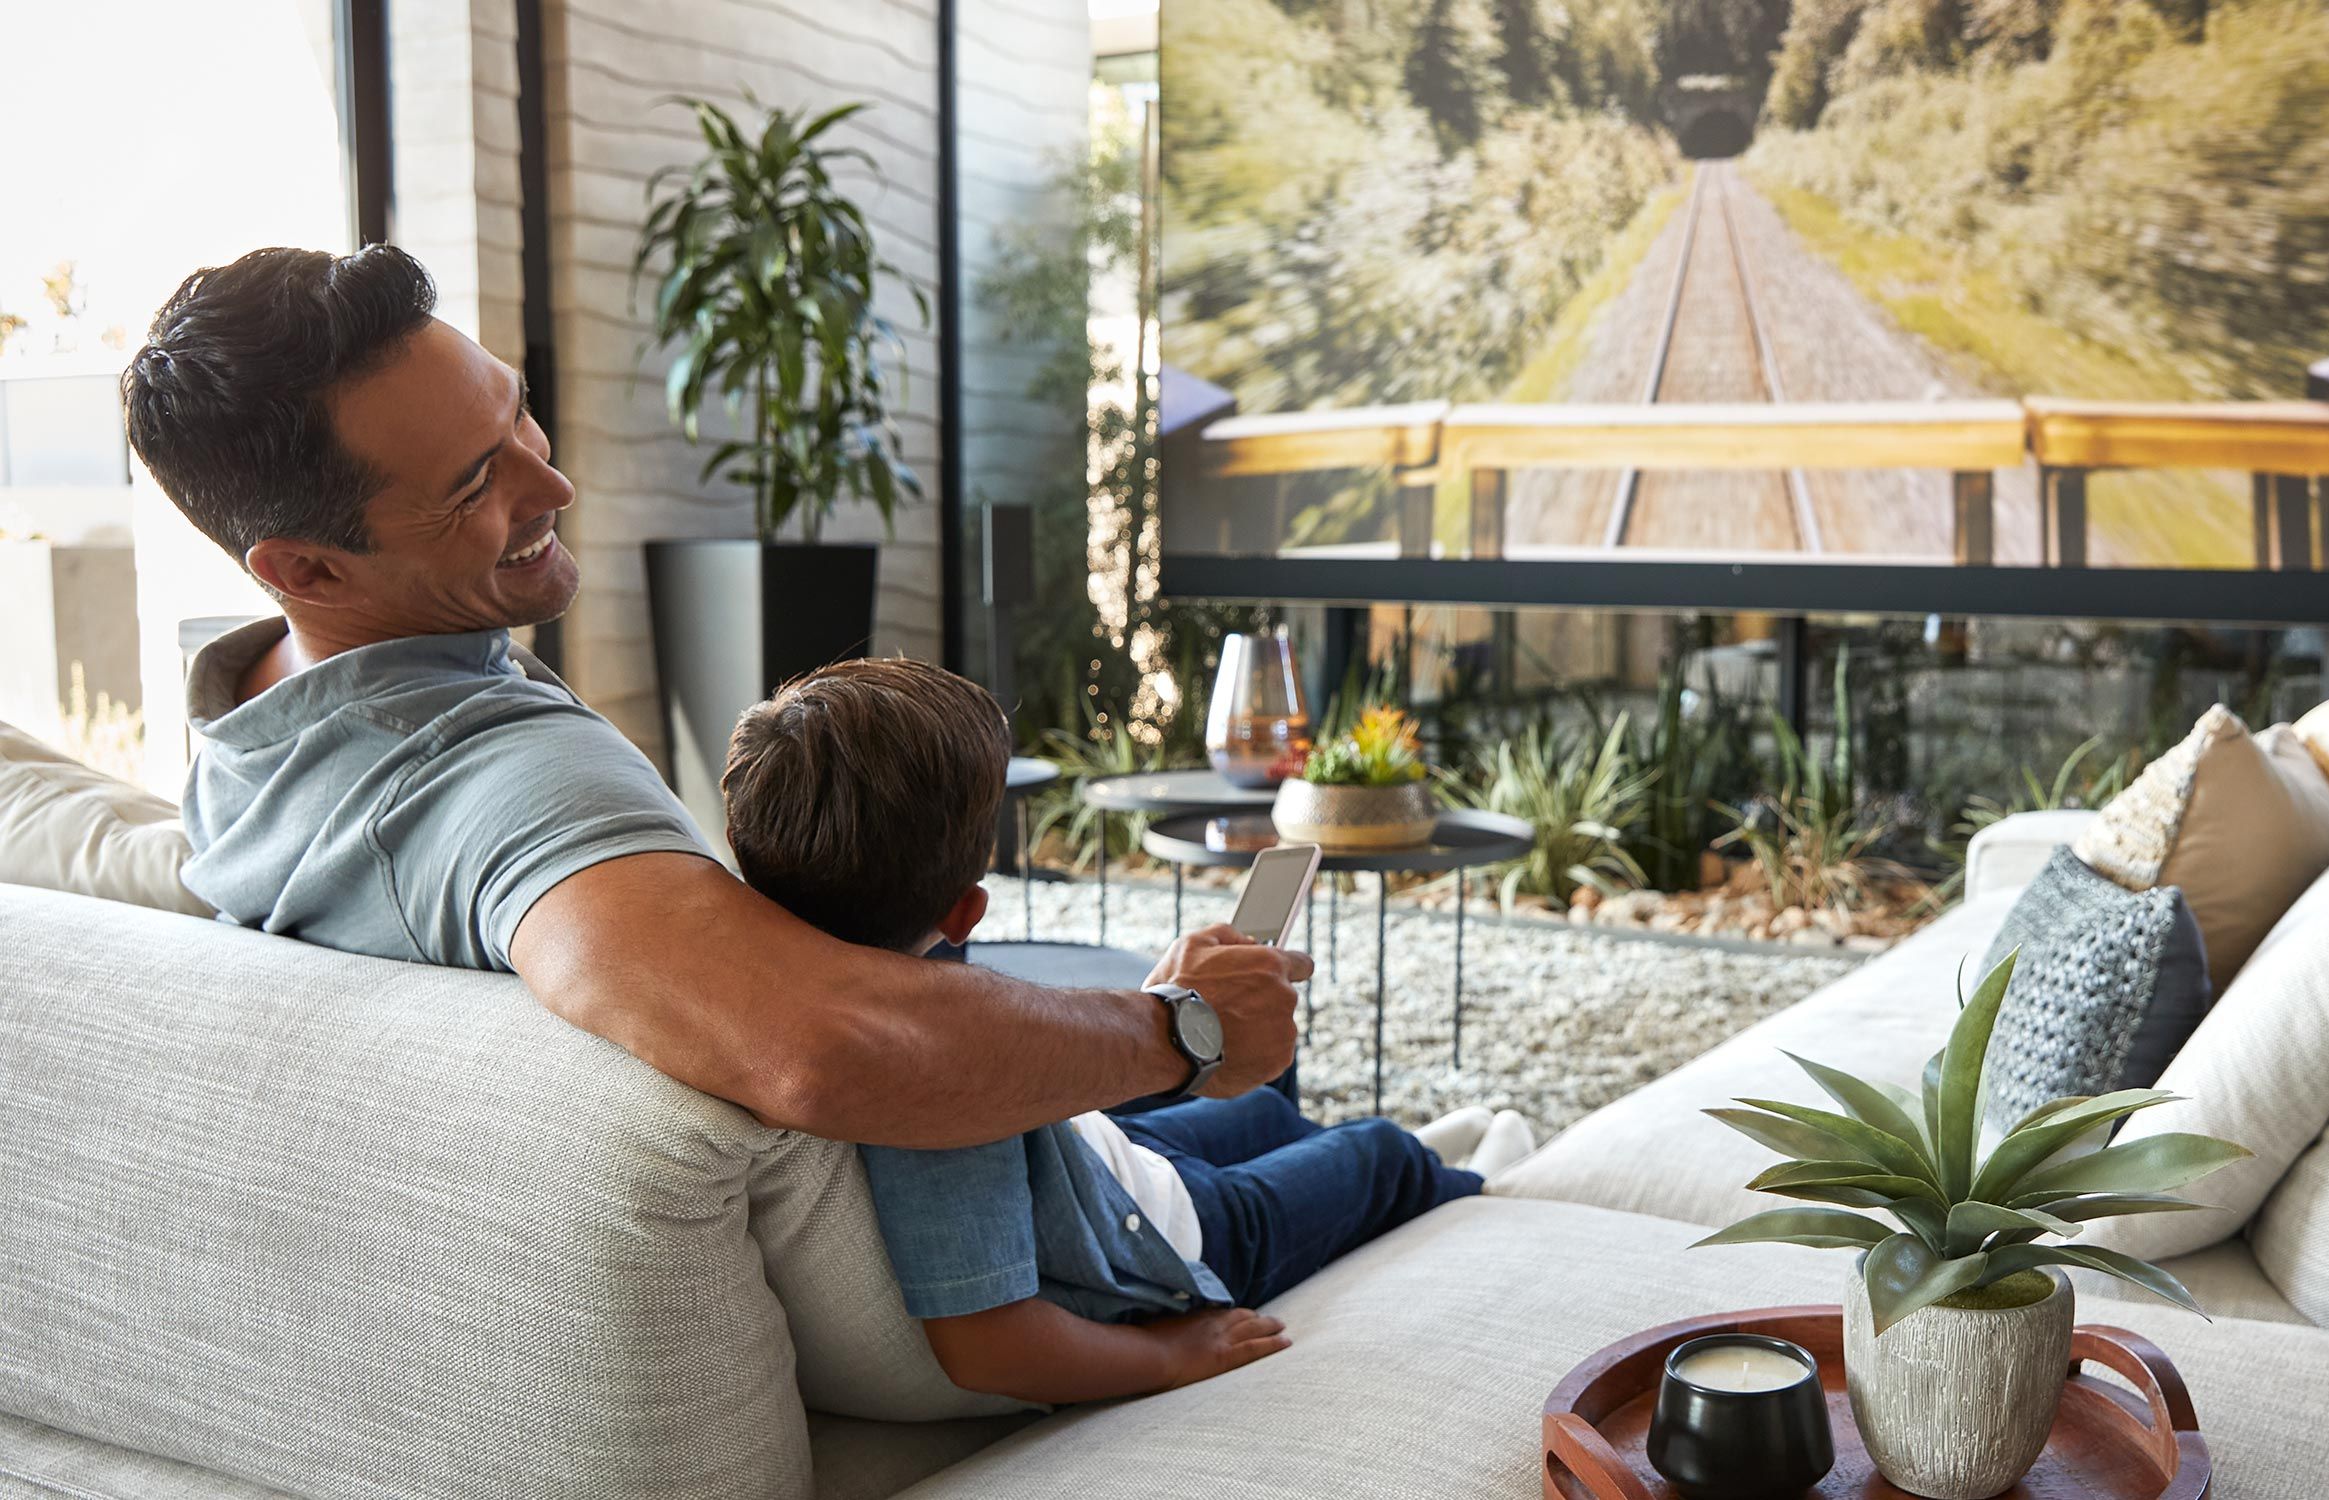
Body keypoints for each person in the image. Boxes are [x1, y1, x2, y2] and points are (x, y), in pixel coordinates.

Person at [122, 242, 1307, 1150]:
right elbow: (819, 1046)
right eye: (477, 483)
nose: (554, 483)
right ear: (308, 569)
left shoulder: (246, 721)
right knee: (1302, 1116)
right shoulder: (509, 789)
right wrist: (1181, 1029)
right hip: (1006, 1273)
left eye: (516, 409)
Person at [716, 658, 1531, 1402]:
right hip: (1177, 1240)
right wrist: (1173, 1356)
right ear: (967, 912)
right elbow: (986, 1348)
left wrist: (1154, 1014)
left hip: (1099, 1161)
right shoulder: (939, 1077)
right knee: (1378, 1153)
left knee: (1262, 1106)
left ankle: (1373, 1161)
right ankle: (1486, 1191)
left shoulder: (756, 992)